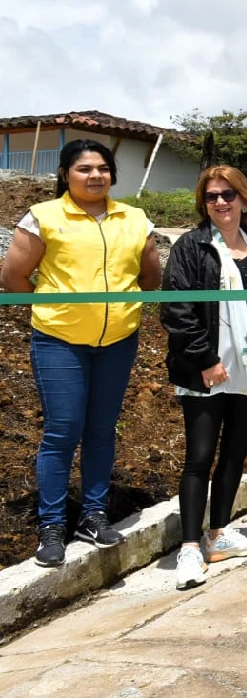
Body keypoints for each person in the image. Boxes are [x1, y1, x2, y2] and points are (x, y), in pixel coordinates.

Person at [0, 139, 162, 567]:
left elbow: (150, 277)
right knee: (63, 429)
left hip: (118, 341)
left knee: (101, 429)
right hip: (59, 341)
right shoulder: (43, 218)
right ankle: (52, 525)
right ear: (65, 175)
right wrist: (58, 309)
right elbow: (14, 277)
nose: (95, 175)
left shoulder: (135, 219)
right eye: (84, 168)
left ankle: (93, 515)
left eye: (103, 168)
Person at [161, 165, 247, 590]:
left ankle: (219, 534)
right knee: (200, 455)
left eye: (229, 194)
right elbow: (177, 310)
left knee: (235, 453)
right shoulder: (191, 247)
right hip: (206, 370)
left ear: (245, 199)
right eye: (212, 197)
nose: (221, 202)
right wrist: (205, 359)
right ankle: (190, 547)